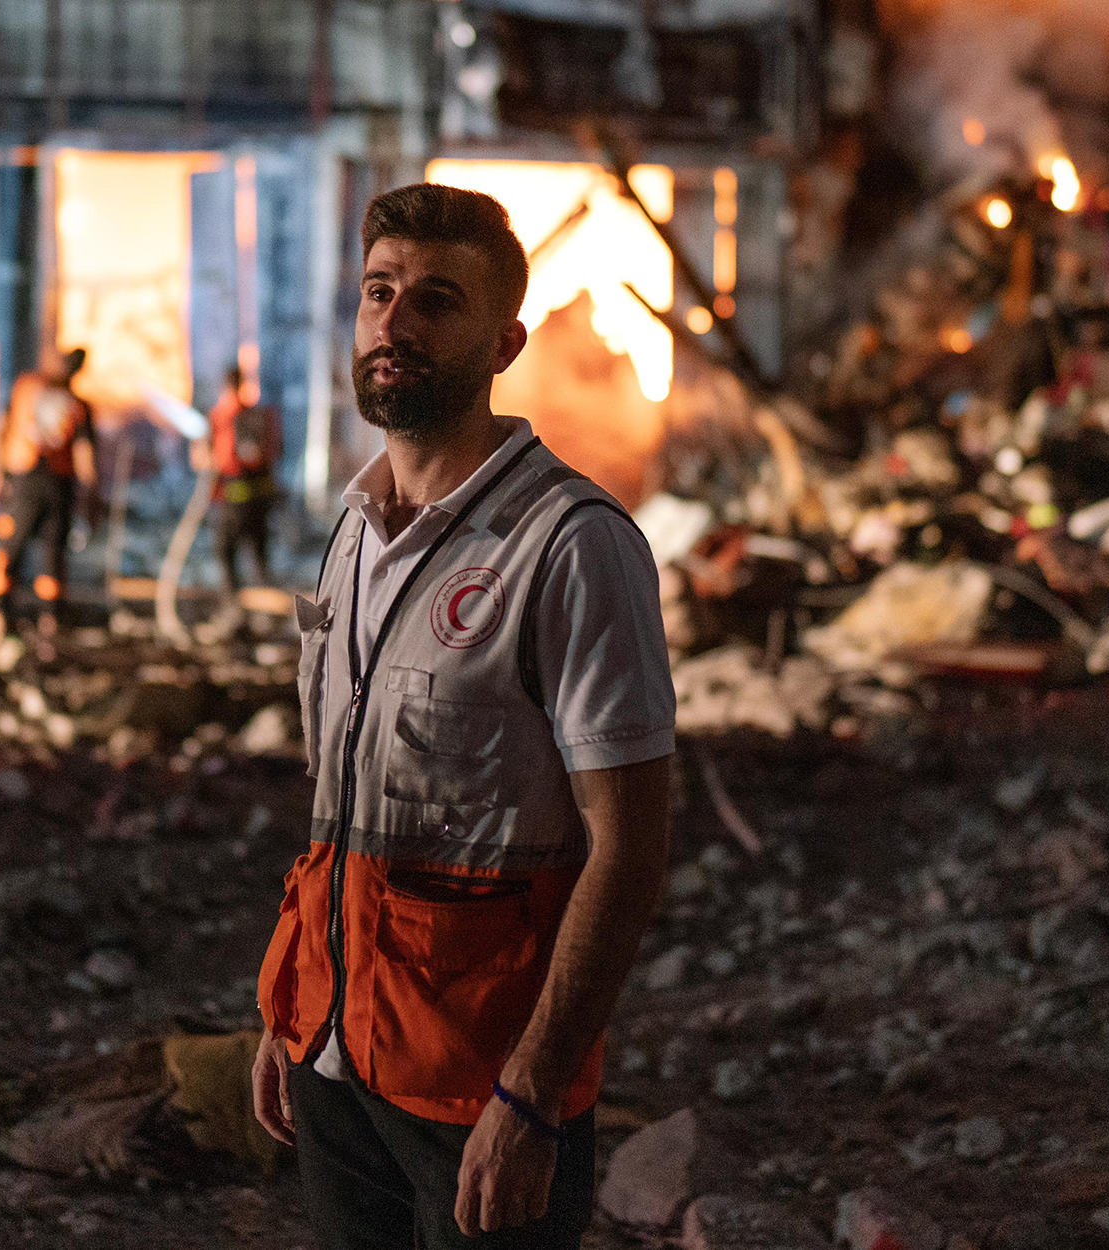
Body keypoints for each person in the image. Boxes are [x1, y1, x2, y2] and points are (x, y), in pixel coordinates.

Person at [251, 184, 677, 1249]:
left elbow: (628, 848)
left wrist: (532, 1095)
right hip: (338, 1066)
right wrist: (294, 1005)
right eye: (378, 292)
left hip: (481, 1085)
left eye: (434, 300)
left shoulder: (571, 545)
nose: (394, 323)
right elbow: (341, 800)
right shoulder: (354, 530)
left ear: (503, 342)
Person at [0, 349, 96, 656]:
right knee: (18, 552)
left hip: (44, 484)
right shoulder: (32, 390)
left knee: (42, 555)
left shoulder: (42, 393)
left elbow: (0, 428)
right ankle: (6, 621)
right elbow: (2, 427)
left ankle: (40, 628)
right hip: (34, 482)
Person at [204, 363, 285, 593]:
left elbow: (216, 458)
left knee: (226, 549)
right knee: (258, 548)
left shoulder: (224, 415)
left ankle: (234, 600)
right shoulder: (256, 415)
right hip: (259, 498)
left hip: (235, 495)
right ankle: (261, 596)